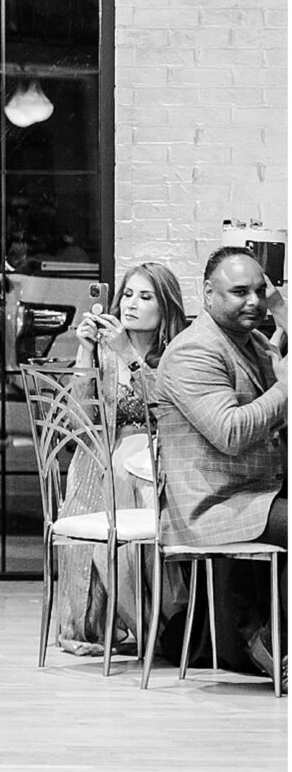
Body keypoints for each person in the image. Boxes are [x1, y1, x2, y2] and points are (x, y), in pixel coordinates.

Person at [156, 246, 287, 684]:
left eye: (259, 291)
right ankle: (273, 645)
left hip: (256, 491)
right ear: (207, 294)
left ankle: (268, 637)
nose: (252, 301)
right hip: (214, 504)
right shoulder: (193, 352)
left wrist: (285, 316)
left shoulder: (253, 342)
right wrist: (286, 386)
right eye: (238, 292)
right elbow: (230, 434)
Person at [56, 261, 188, 656]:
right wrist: (85, 349)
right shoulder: (104, 352)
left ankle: (164, 625)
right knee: (102, 466)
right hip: (105, 459)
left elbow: (165, 408)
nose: (131, 304)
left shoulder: (179, 353)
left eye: (145, 297)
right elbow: (78, 419)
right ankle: (111, 621)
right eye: (127, 294)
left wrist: (128, 354)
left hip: (163, 459)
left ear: (166, 307)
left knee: (132, 477)